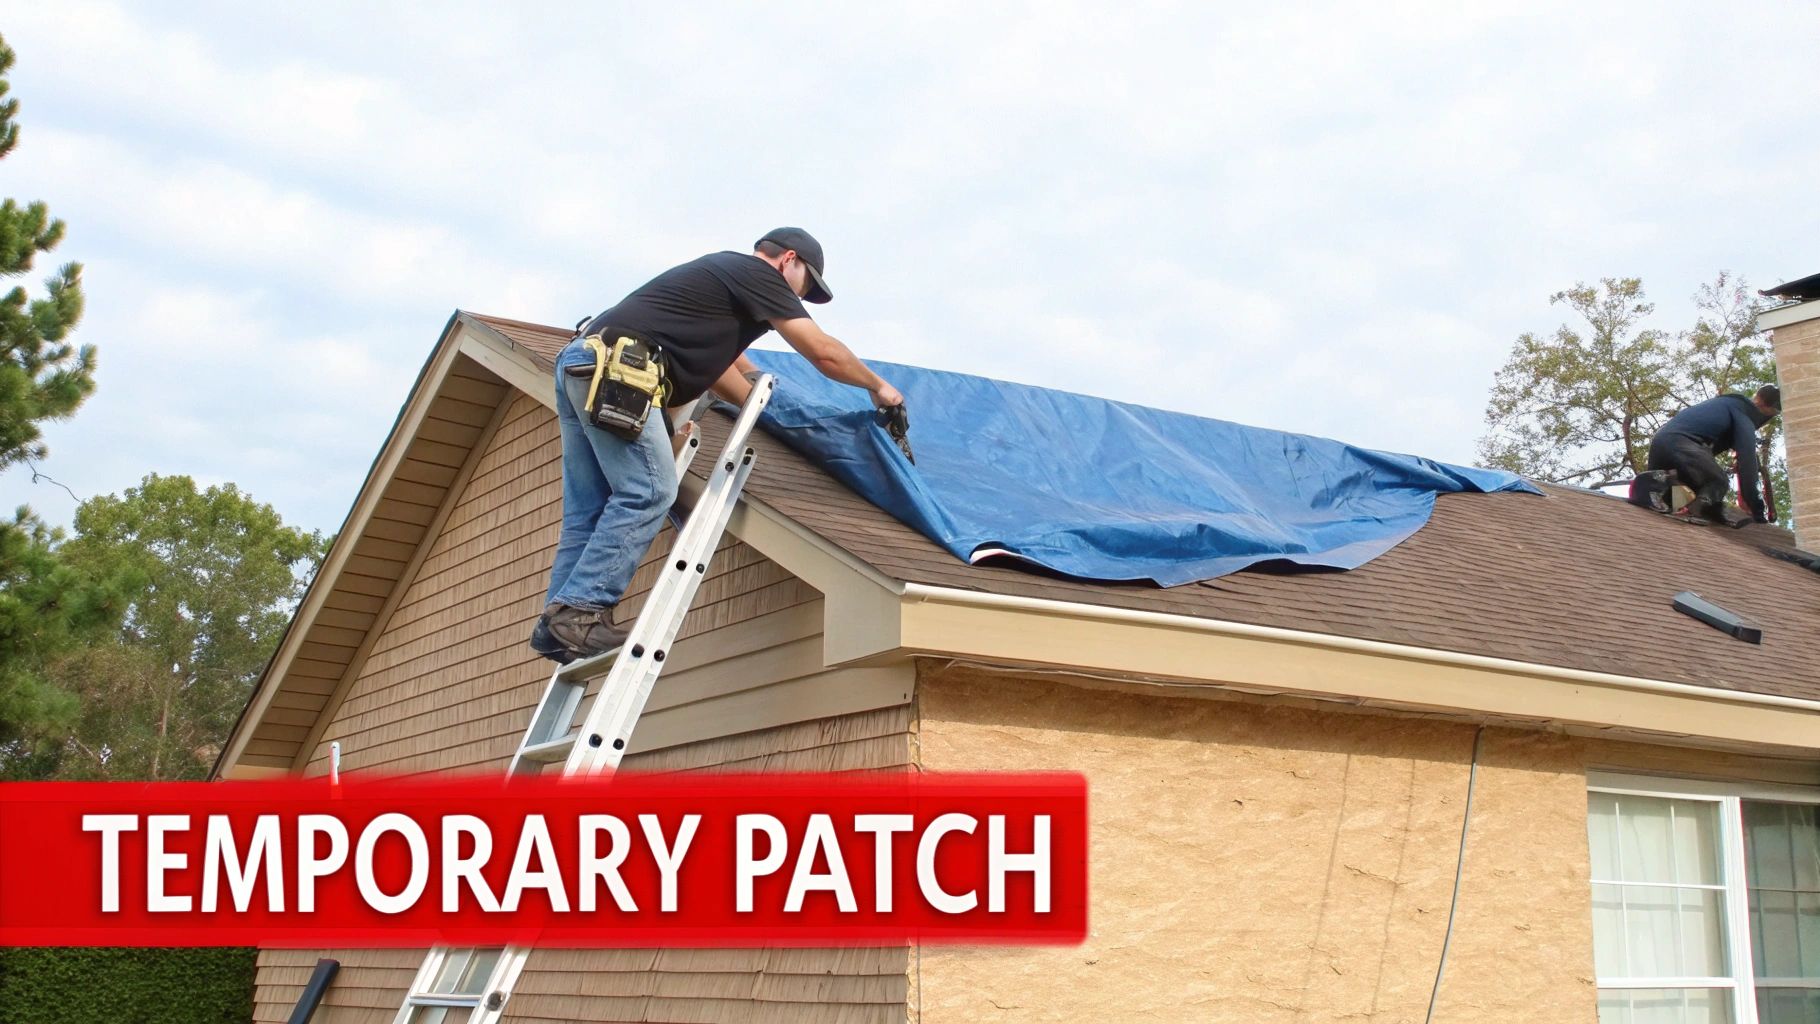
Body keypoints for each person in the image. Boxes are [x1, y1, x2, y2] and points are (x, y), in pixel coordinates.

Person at [533, 228, 904, 661]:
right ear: (789, 260)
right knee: (649, 492)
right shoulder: (756, 274)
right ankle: (580, 615)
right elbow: (822, 352)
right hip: (620, 369)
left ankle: (555, 628)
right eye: (807, 287)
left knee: (590, 509)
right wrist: (879, 388)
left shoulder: (717, 294)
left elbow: (729, 375)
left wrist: (775, 413)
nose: (801, 300)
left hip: (584, 363)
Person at [1630, 385, 1780, 523]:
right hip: (1681, 442)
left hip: (1662, 443)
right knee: (1718, 481)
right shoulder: (1744, 414)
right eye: (1771, 415)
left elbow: (1746, 459)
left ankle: (1656, 489)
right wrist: (1757, 509)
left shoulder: (1727, 404)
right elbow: (1747, 462)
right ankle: (1693, 511)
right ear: (1766, 408)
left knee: (1690, 492)